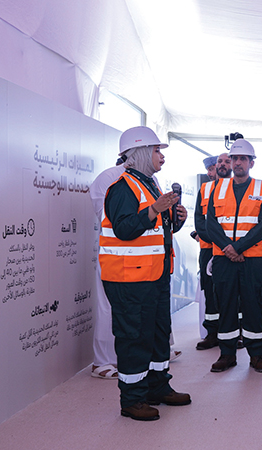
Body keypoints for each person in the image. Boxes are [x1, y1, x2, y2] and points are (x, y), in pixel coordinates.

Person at [100, 126, 191, 421]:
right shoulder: (122, 187)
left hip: (154, 275)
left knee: (157, 334)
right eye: (156, 150)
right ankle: (132, 399)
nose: (161, 156)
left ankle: (157, 387)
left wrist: (175, 219)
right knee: (134, 337)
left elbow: (157, 232)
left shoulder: (149, 184)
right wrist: (154, 209)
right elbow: (125, 229)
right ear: (139, 153)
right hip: (129, 279)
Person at [206, 139, 262, 373]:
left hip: (251, 258)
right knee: (225, 304)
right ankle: (227, 354)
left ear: (251, 163)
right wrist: (228, 248)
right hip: (224, 257)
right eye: (234, 158)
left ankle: (257, 355)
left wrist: (239, 247)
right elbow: (210, 223)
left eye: (242, 159)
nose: (237, 163)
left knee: (253, 304)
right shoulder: (216, 187)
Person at [89, 157, 126, 380]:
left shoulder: (149, 179)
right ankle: (102, 361)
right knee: (108, 306)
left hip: (143, 257)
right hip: (114, 253)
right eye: (155, 151)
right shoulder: (109, 178)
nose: (160, 156)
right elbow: (111, 218)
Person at [194, 153, 231, 350]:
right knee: (209, 291)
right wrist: (213, 238)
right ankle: (212, 333)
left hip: (229, 250)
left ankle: (235, 331)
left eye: (226, 162)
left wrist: (226, 244)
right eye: (219, 162)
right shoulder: (205, 188)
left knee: (232, 292)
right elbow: (200, 220)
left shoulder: (237, 186)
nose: (221, 166)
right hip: (209, 249)